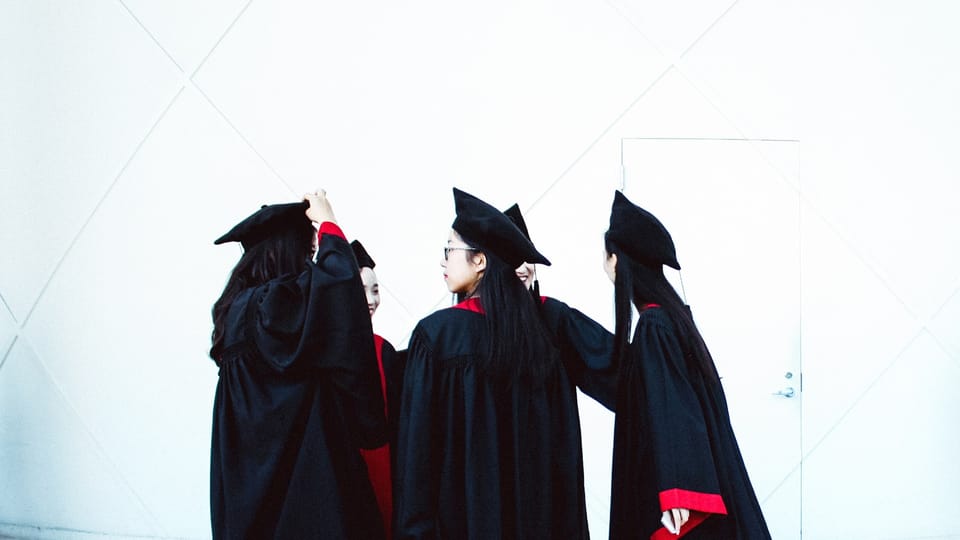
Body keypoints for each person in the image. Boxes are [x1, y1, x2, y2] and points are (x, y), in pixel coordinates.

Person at [393, 188, 591, 539]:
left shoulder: (437, 337)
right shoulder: (539, 338)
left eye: (450, 250)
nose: (443, 261)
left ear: (480, 261)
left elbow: (418, 459)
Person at [209, 191, 387, 539]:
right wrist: (329, 225)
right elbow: (337, 289)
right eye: (308, 253)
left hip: (248, 496)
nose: (309, 265)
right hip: (301, 494)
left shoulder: (234, 313)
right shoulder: (272, 305)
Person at [603, 190, 770, 539]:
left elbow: (675, 408)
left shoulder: (654, 326)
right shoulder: (672, 319)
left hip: (671, 496)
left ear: (616, 260)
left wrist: (677, 491)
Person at [504, 203, 616, 411]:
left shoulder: (553, 317)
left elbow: (611, 367)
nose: (523, 267)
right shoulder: (469, 326)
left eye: (527, 257)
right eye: (512, 258)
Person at [350, 239, 404, 540]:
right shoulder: (318, 350)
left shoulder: (384, 351)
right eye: (362, 290)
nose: (372, 300)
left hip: (381, 470)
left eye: (375, 290)